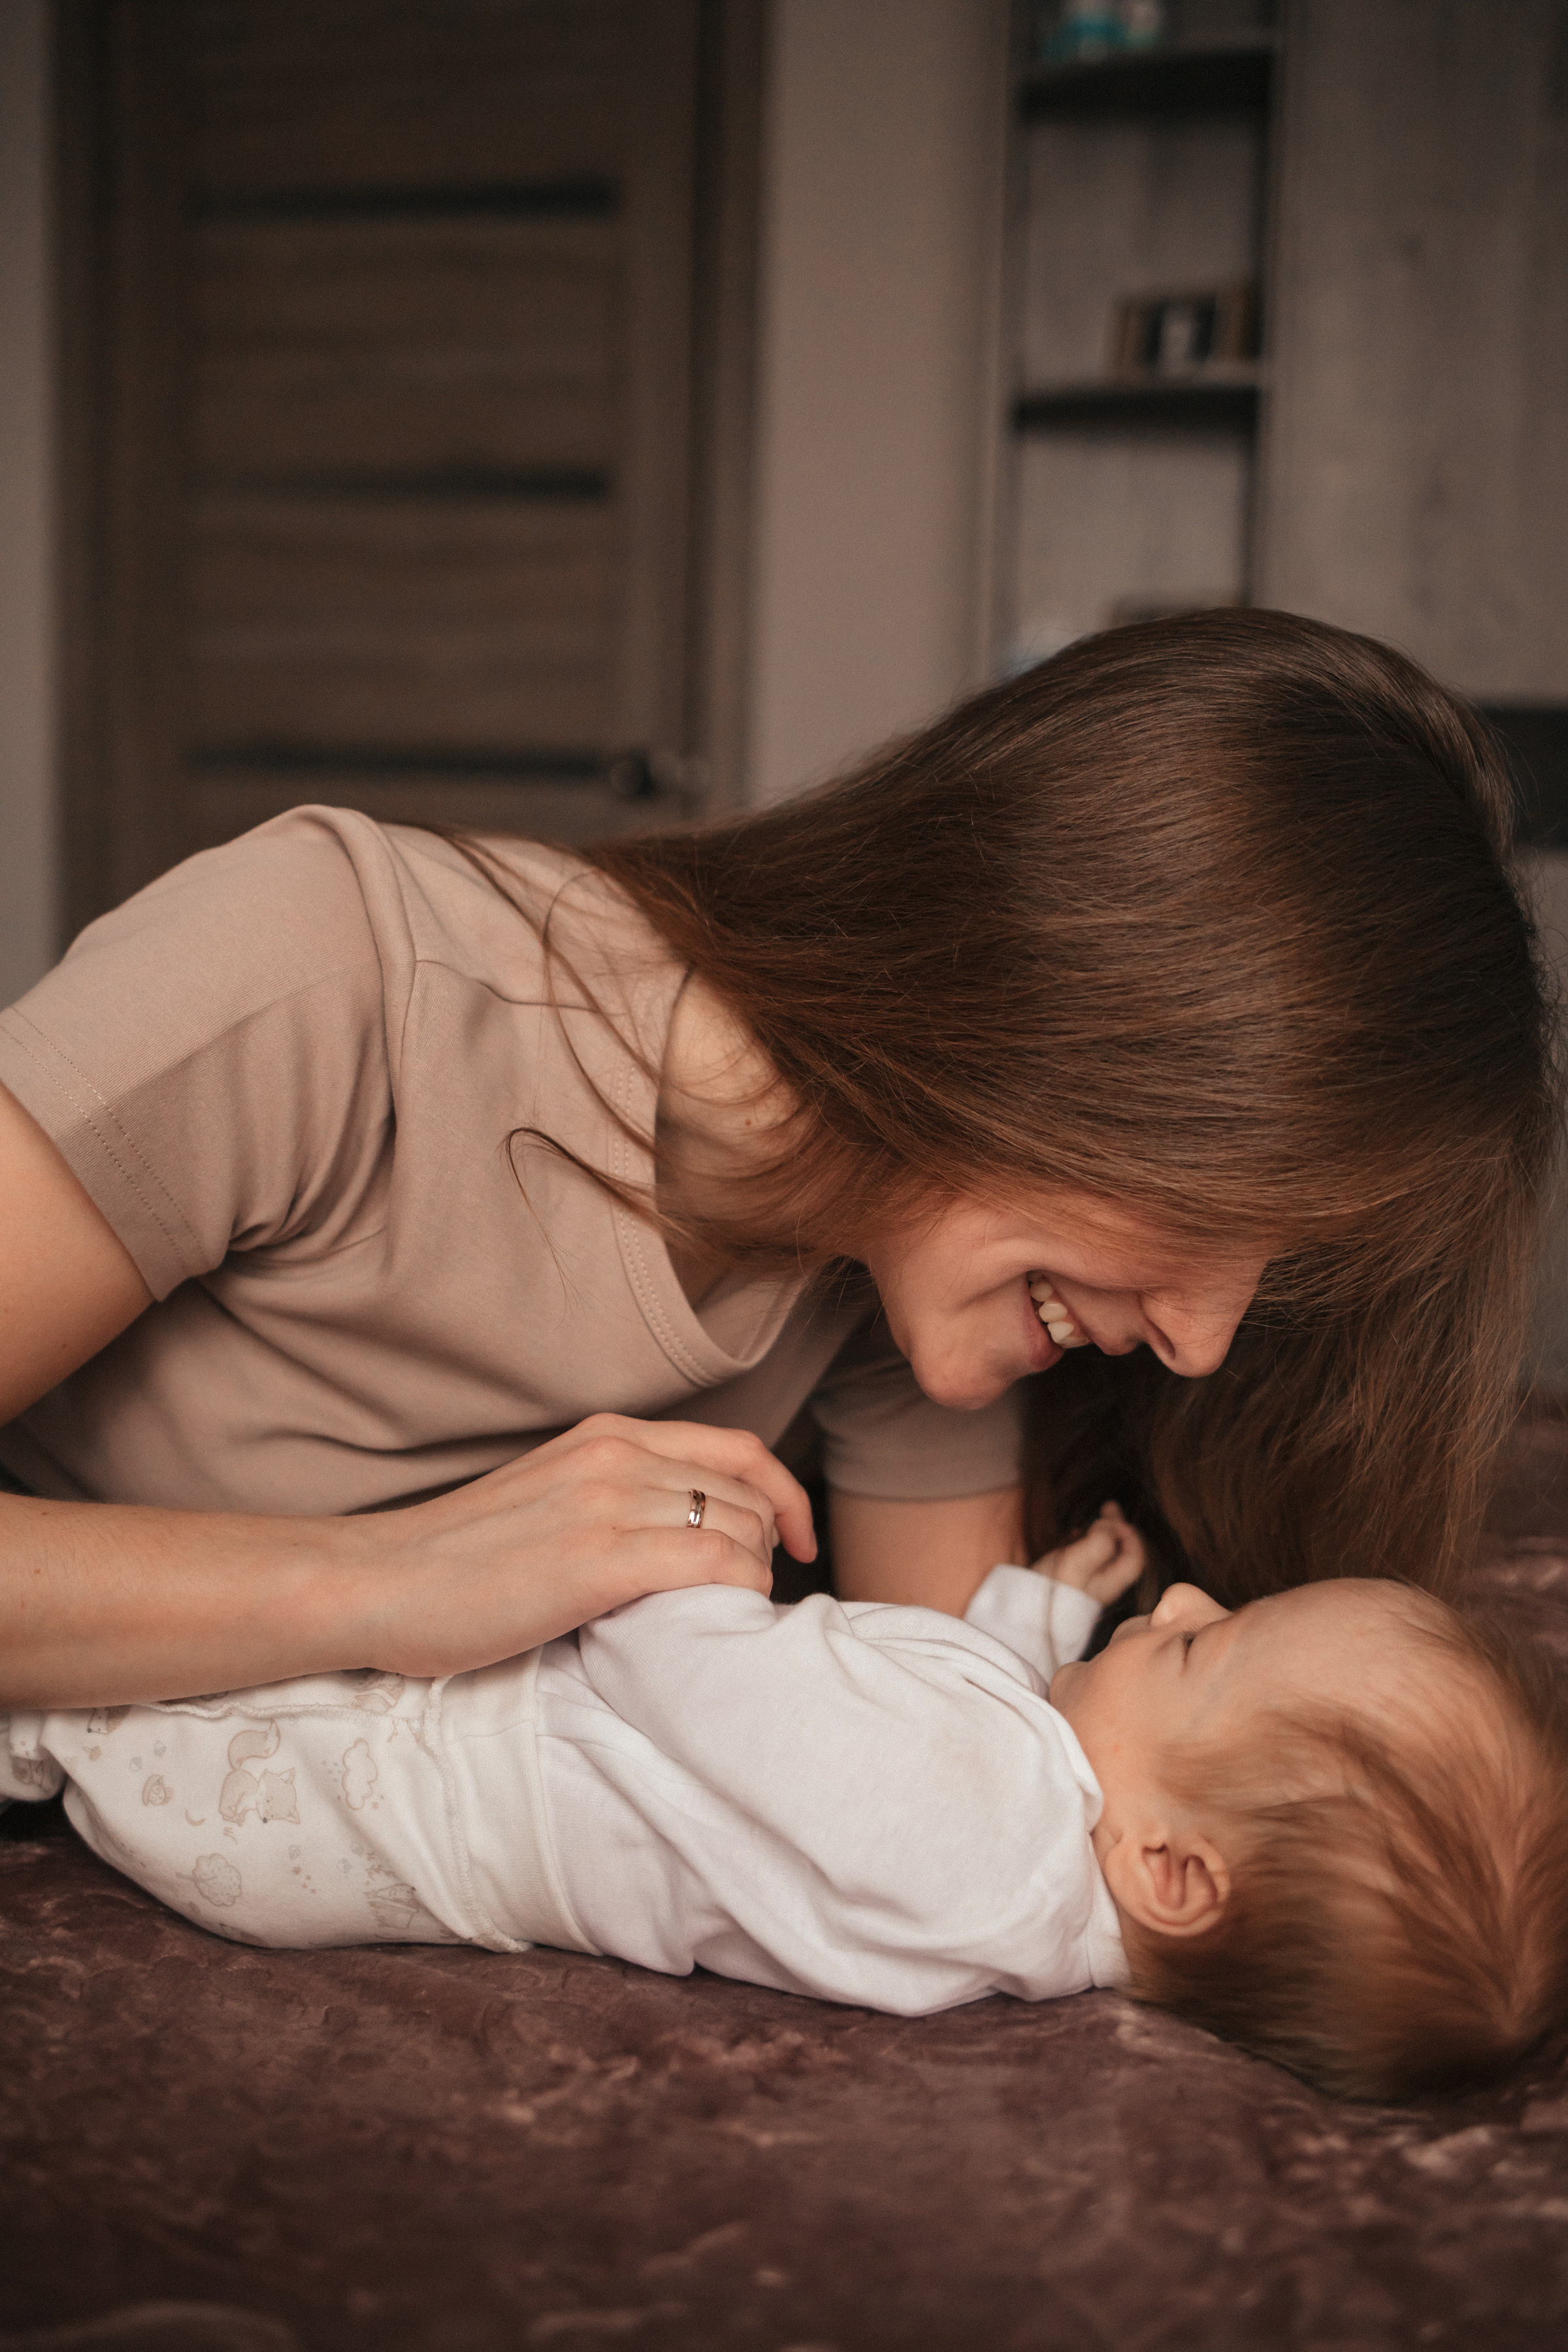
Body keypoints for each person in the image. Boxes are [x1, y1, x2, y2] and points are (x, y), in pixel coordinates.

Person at [0, 610, 1554, 1710]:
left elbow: (958, 1738)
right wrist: (389, 1590)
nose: (1207, 1342)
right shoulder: (325, 973)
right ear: (1074, 1000)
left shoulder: (901, 1294)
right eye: (1228, 1209)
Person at [5, 1505, 1564, 2103]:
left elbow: (752, 1717)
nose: (1187, 1600)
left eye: (1206, 1645)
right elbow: (927, 1722)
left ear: (1170, 1872)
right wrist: (1036, 1624)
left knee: (130, 1707)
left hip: (394, 1799)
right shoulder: (1030, 1862)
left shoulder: (986, 1841)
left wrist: (677, 1569)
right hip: (446, 1795)